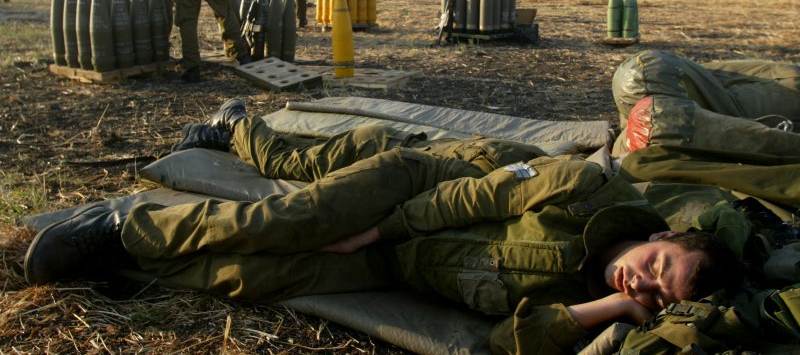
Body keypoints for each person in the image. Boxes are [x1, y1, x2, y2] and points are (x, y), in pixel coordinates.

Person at [25, 100, 742, 354]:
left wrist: (608, 306)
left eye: (653, 291)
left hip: (400, 262)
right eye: (653, 262)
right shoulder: (582, 188)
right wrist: (376, 231)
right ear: (663, 237)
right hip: (412, 190)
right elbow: (473, 199)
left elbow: (505, 340)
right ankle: (121, 226)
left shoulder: (585, 304)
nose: (638, 276)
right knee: (284, 218)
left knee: (258, 276)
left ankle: (129, 265)